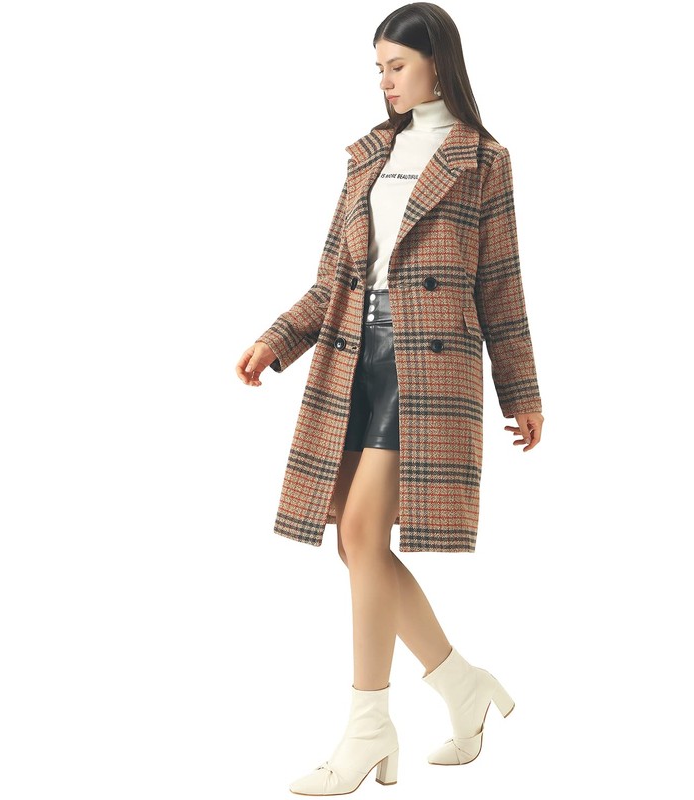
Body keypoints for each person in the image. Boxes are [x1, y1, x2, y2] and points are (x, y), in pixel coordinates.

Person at [235, 3, 544, 795]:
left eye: (397, 65)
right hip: (353, 355)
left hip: (427, 365)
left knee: (362, 534)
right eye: (378, 68)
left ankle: (369, 725)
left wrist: (522, 390)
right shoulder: (370, 154)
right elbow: (332, 277)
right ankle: (461, 685)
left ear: (438, 62)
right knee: (355, 542)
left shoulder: (484, 160)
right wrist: (277, 338)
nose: (385, 81)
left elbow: (501, 286)